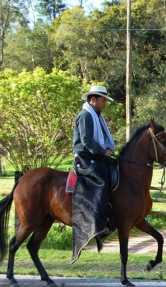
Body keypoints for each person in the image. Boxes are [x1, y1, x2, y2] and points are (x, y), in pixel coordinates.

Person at [71, 85, 117, 261]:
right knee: (103, 181)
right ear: (93, 100)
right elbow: (87, 140)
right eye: (102, 100)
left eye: (105, 100)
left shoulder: (96, 116)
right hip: (84, 157)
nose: (104, 103)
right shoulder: (85, 116)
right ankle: (97, 220)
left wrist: (107, 151)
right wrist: (103, 152)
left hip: (95, 156)